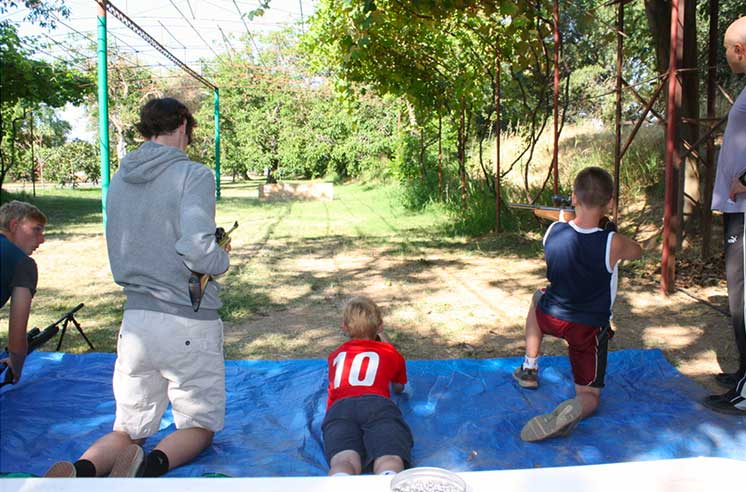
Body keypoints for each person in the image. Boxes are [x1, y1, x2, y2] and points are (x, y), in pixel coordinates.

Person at [45, 97, 231, 477]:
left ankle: (82, 470)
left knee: (127, 429)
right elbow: (197, 250)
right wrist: (221, 258)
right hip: (186, 320)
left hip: (136, 322)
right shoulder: (193, 175)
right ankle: (148, 468)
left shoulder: (119, 177)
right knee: (200, 426)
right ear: (182, 125)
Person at [513, 166, 642, 442]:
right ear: (610, 203)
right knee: (590, 395)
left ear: (573, 198)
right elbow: (637, 251)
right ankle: (575, 407)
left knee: (538, 296)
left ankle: (529, 368)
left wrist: (573, 220)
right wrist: (610, 230)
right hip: (587, 329)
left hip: (552, 317)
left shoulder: (553, 232)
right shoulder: (613, 242)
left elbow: (568, 236)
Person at [322, 296, 413, 476]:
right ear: (380, 326)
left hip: (340, 409)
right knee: (389, 457)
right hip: (377, 405)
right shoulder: (391, 353)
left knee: (344, 459)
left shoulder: (335, 355)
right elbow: (398, 387)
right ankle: (387, 478)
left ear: (345, 327)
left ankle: (341, 479)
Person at [706, 16, 746, 416]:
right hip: (737, 209)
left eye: (728, 49)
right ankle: (743, 373)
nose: (728, 57)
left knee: (744, 299)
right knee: (738, 296)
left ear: (741, 50)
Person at [0, 201, 47, 385]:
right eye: (37, 230)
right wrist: (15, 366)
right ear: (14, 226)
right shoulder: (23, 263)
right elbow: (17, 338)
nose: (42, 239)